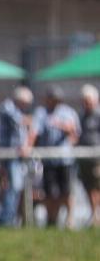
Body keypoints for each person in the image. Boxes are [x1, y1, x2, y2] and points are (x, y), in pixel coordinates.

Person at [31, 86, 80, 228]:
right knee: (50, 193)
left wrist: (61, 126)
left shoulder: (68, 112)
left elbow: (75, 134)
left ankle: (69, 221)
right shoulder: (41, 113)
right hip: (49, 160)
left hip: (65, 160)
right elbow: (34, 131)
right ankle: (52, 220)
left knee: (67, 191)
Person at [0, 86, 33, 227]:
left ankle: (10, 218)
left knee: (14, 188)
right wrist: (29, 120)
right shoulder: (7, 106)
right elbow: (20, 120)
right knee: (11, 187)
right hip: (9, 156)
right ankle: (6, 220)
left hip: (17, 157)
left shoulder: (17, 109)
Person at [77, 84, 100, 227]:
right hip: (84, 159)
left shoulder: (98, 116)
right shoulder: (81, 116)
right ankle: (94, 216)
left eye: (89, 101)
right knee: (89, 187)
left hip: (97, 158)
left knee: (97, 187)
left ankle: (96, 215)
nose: (87, 104)